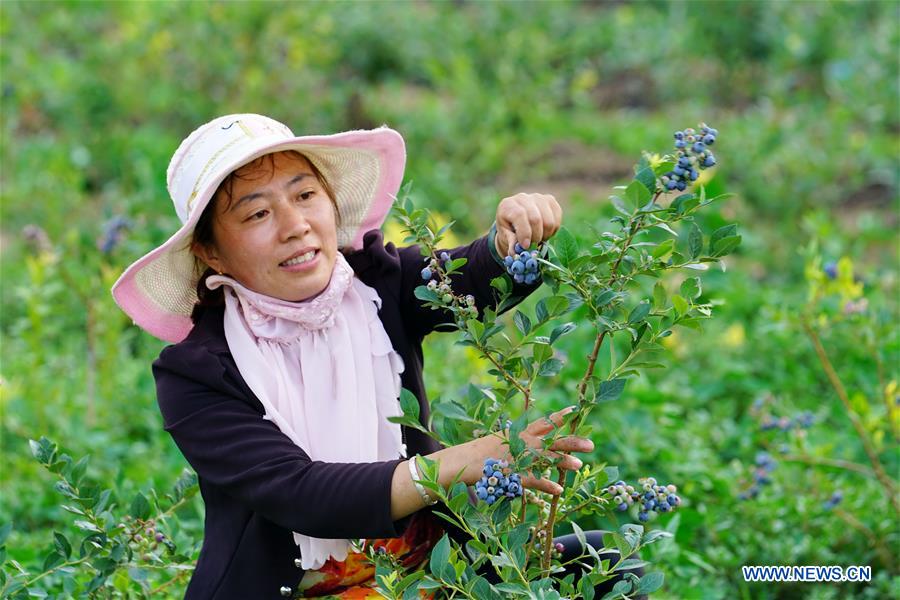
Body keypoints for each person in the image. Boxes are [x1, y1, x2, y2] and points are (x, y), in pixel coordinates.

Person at [113, 114, 639, 599]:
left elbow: (467, 282)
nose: (295, 225)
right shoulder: (197, 373)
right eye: (257, 213)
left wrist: (512, 242)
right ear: (210, 252)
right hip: (301, 591)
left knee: (606, 567)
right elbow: (300, 493)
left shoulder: (374, 284)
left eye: (305, 195)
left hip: (429, 574)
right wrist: (456, 463)